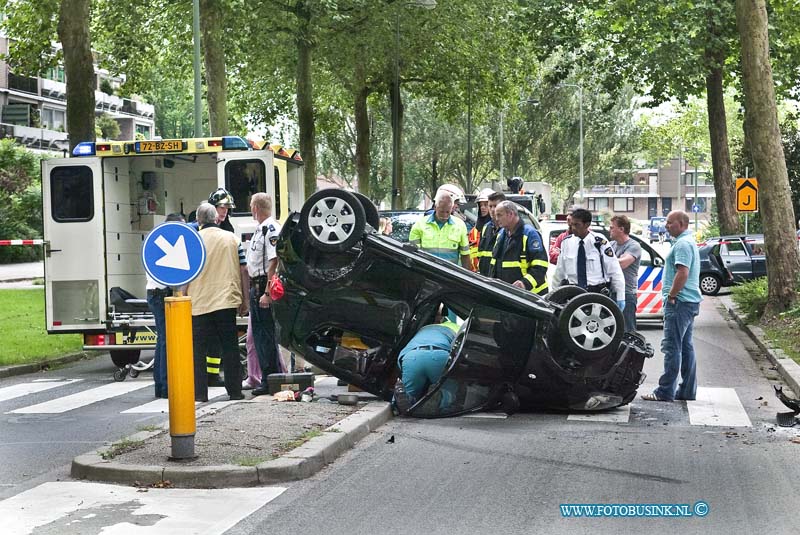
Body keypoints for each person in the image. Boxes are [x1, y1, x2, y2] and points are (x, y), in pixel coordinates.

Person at [186, 202, 246, 402]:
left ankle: (200, 394)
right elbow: (244, 269)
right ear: (215, 219)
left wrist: (182, 298)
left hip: (198, 302)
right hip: (226, 301)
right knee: (230, 347)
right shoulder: (232, 239)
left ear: (198, 220)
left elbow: (185, 274)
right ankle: (235, 391)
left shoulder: (192, 241)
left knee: (198, 350)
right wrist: (244, 299)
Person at [642, 210, 702, 402]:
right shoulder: (687, 242)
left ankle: (665, 391)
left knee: (672, 347)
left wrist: (672, 295)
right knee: (685, 346)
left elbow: (682, 272)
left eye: (670, 223)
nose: (666, 226)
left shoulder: (683, 244)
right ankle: (687, 391)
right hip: (689, 301)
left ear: (682, 224)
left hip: (680, 302)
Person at [246, 193, 284, 397]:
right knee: (260, 337)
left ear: (256, 208)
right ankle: (270, 378)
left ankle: (270, 379)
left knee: (265, 337)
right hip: (257, 286)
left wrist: (268, 292)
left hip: (263, 287)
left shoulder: (270, 229)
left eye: (252, 206)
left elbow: (274, 261)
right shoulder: (261, 229)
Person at [552, 208, 626, 311]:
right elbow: (559, 272)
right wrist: (553, 295)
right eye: (571, 224)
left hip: (596, 294)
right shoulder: (566, 243)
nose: (573, 228)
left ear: (587, 225)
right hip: (573, 294)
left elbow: (614, 271)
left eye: (577, 225)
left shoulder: (600, 242)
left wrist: (620, 297)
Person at [146, 212, 185, 399]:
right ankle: (164, 384)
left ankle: (161, 385)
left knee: (163, 340)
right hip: (160, 293)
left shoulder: (155, 241)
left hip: (156, 293)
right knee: (165, 340)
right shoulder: (162, 243)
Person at [397, 313, 460, 410]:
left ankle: (403, 398)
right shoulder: (456, 327)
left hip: (412, 356)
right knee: (449, 389)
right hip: (440, 356)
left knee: (409, 392)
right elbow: (460, 351)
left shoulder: (422, 329)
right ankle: (440, 398)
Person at [489, 200, 549, 295]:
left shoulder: (530, 234)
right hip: (510, 295)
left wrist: (525, 283)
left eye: (499, 215)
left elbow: (541, 265)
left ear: (510, 214)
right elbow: (494, 264)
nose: (496, 219)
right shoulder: (501, 234)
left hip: (532, 296)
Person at [409, 188, 472, 270]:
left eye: (447, 212)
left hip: (451, 275)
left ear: (452, 209)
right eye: (441, 211)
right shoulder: (420, 225)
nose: (445, 215)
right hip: (426, 272)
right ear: (435, 207)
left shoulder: (460, 225)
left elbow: (465, 255)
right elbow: (412, 254)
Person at [610, 214, 642, 333]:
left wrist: (608, 261)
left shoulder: (633, 246)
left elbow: (622, 263)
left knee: (628, 332)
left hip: (626, 295)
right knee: (613, 332)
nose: (610, 230)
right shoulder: (611, 245)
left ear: (621, 229)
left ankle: (630, 352)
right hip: (611, 293)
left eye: (612, 227)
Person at [477, 191, 506, 276]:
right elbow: (480, 254)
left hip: (503, 281)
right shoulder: (486, 228)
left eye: (495, 206)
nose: (493, 209)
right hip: (486, 279)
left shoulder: (508, 228)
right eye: (490, 206)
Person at [468, 188, 494, 270]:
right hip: (475, 275)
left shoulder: (498, 229)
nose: (482, 208)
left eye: (486, 205)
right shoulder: (474, 232)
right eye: (481, 205)